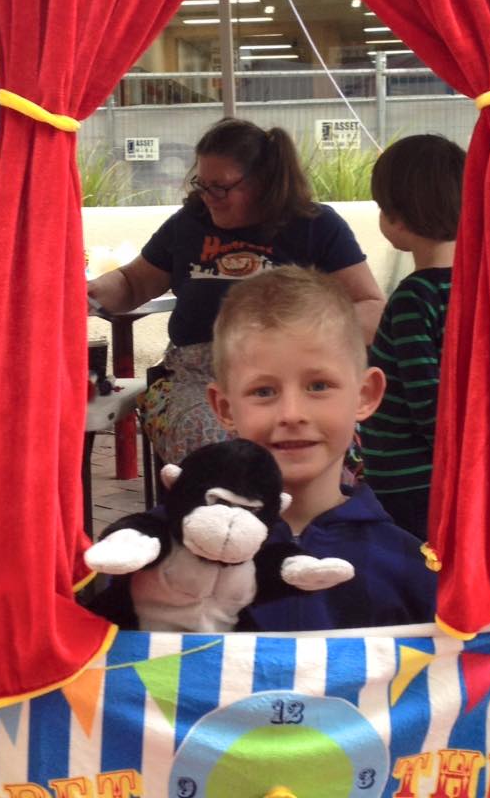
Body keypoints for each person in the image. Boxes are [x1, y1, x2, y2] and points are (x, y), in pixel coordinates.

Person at [87, 118, 385, 464]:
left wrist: (301, 335)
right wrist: (89, 293)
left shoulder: (314, 225)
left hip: (292, 377)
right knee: (218, 449)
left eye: (221, 187)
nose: (208, 197)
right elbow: (133, 282)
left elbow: (372, 308)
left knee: (303, 441)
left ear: (263, 182)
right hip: (200, 378)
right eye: (202, 184)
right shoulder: (189, 223)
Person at [206, 266, 437, 631]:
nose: (292, 414)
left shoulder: (409, 569)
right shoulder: (177, 553)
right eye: (263, 391)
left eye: (318, 386)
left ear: (365, 395)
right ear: (225, 408)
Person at [358, 134, 465, 541]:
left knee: (416, 568)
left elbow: (427, 399)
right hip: (462, 474)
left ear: (397, 219)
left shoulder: (413, 297)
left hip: (410, 480)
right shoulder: (479, 292)